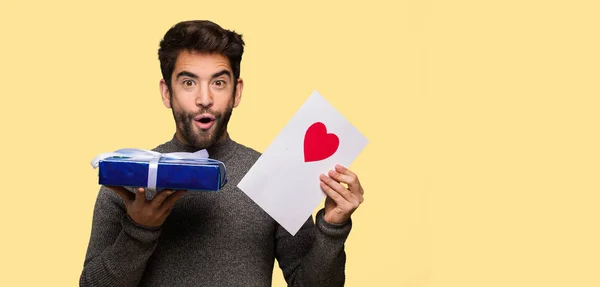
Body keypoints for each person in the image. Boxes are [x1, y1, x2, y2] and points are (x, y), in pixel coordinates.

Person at [80, 20, 366, 287]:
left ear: (236, 92)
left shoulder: (272, 176)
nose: (204, 99)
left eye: (218, 82)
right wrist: (139, 229)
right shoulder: (130, 180)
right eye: (188, 82)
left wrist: (332, 227)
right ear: (167, 92)